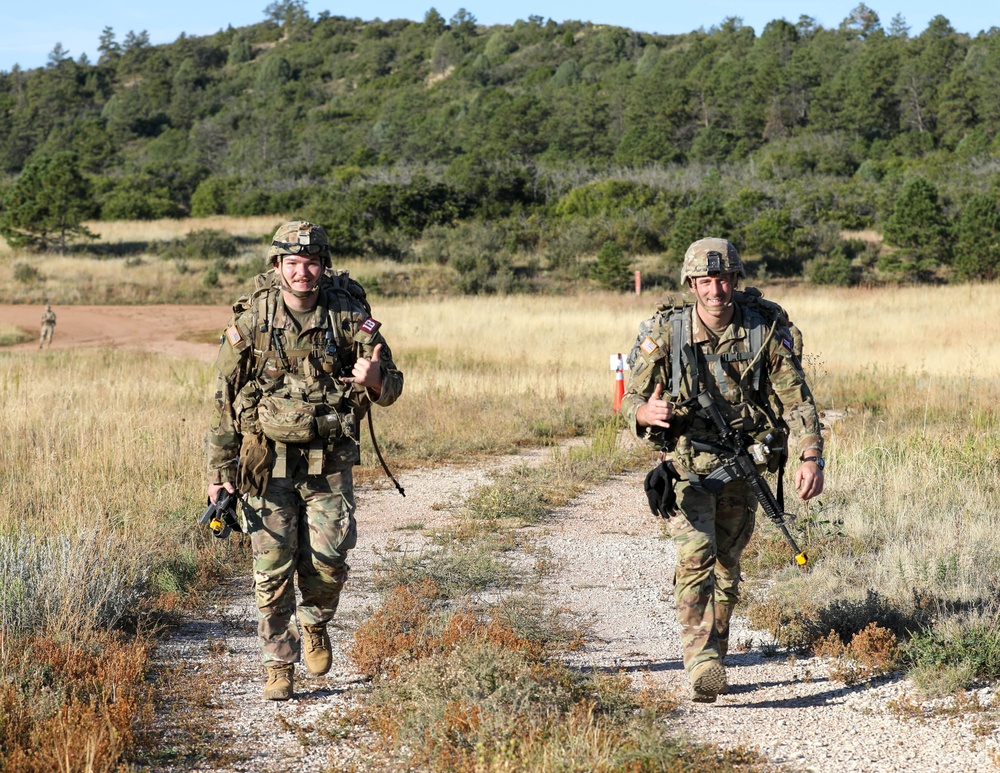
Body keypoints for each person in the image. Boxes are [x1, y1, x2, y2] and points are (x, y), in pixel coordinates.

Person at [206, 221, 403, 701]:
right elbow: (222, 400)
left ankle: (315, 623)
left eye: (311, 262)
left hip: (329, 462)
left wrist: (375, 377)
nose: (302, 272)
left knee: (330, 560)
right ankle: (279, 662)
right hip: (264, 462)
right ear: (277, 267)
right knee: (271, 569)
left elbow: (392, 388)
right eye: (292, 263)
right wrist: (219, 474)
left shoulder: (349, 317)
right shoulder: (252, 322)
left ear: (323, 265)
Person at [621, 237, 824, 703]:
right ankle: (700, 662)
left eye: (724, 279)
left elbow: (798, 401)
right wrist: (643, 414)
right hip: (687, 462)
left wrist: (811, 457)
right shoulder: (667, 333)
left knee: (728, 567)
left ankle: (716, 648)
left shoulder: (762, 331)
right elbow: (632, 398)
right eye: (706, 281)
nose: (716, 290)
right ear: (691, 284)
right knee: (696, 557)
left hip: (744, 464)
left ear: (735, 280)